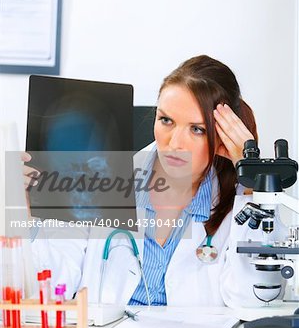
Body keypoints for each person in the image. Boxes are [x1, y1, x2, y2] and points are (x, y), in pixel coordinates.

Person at [23, 55, 286, 307]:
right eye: (166, 121)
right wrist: (22, 216)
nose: (174, 144)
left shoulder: (240, 200)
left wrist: (253, 186)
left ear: (221, 136)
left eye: (197, 129)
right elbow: (46, 285)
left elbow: (255, 299)